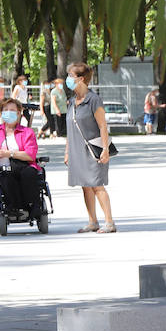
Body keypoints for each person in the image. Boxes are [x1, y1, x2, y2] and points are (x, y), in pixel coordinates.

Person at [63, 61, 116, 234]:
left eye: (71, 76)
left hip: (94, 149)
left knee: (97, 185)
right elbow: (70, 129)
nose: (68, 79)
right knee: (85, 185)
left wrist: (106, 150)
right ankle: (92, 221)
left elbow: (102, 126)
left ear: (82, 79)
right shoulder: (71, 101)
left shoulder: (94, 100)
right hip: (77, 150)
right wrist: (67, 151)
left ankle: (109, 222)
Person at [0, 97, 45, 223]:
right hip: (1, 169)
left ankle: (33, 206)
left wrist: (10, 153)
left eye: (12, 110)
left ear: (19, 113)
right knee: (6, 177)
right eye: (6, 110)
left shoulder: (27, 132)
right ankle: (13, 207)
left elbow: (30, 155)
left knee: (29, 174)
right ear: (1, 113)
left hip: (23, 166)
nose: (9, 113)